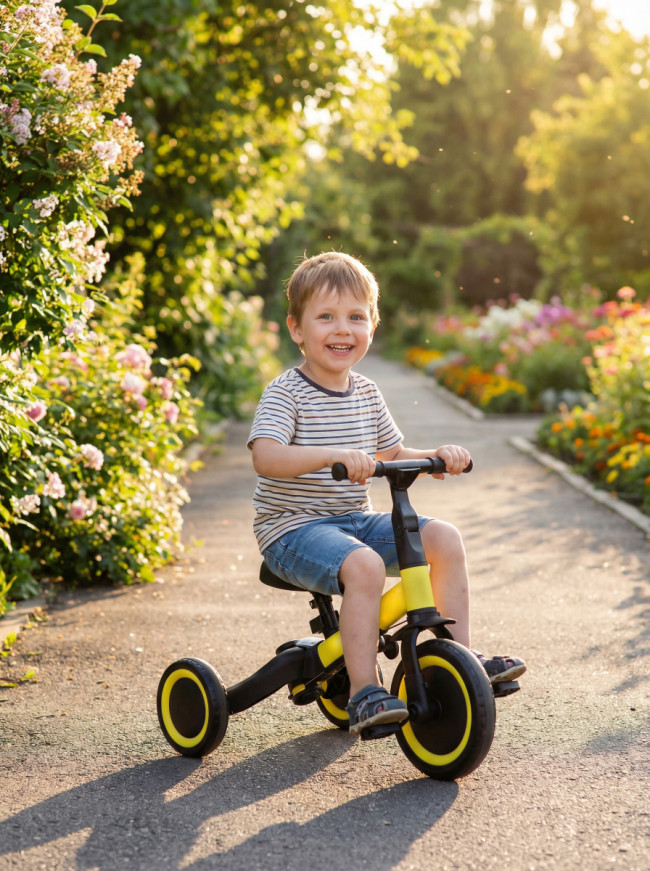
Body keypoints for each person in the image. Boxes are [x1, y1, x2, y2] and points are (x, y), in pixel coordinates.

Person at [247, 251, 526, 735]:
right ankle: (363, 692)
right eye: (326, 317)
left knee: (443, 538)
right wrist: (329, 454)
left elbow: (393, 452)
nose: (342, 329)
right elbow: (265, 456)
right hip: (290, 529)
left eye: (356, 317)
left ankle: (457, 654)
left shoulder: (367, 392)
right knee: (366, 566)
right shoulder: (286, 392)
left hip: (351, 523)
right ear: (297, 329)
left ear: (372, 326)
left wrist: (437, 457)